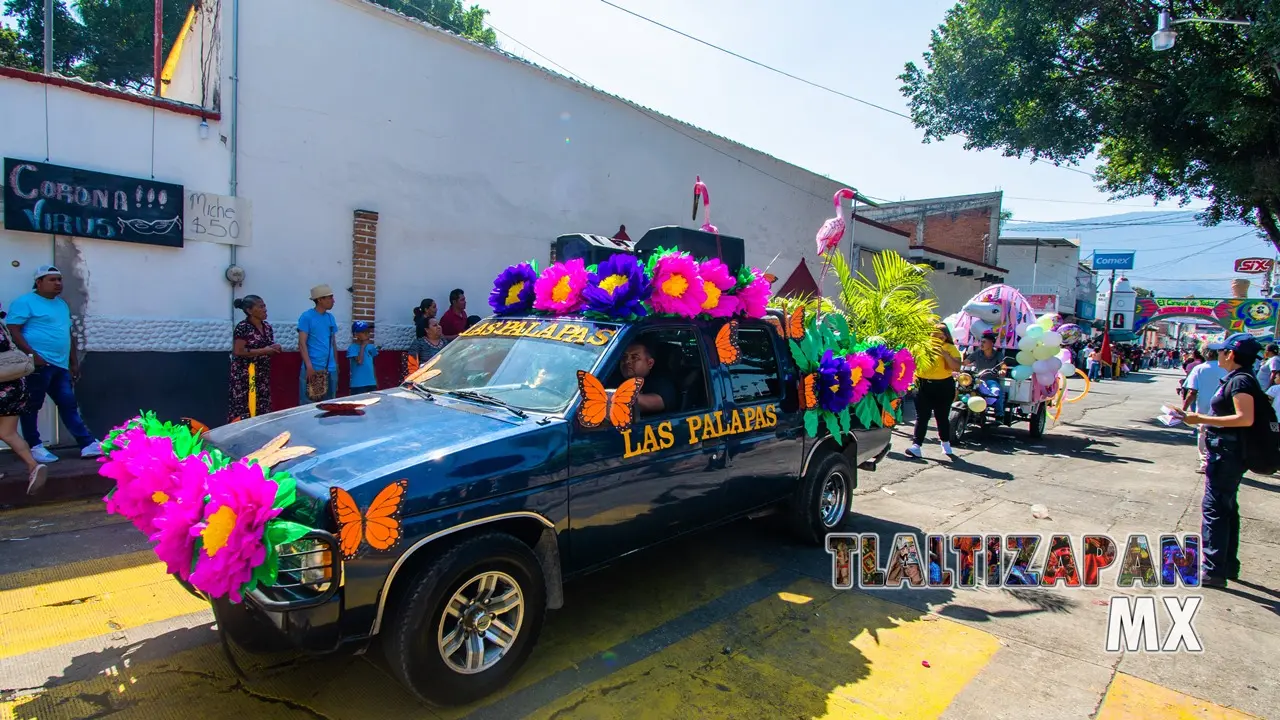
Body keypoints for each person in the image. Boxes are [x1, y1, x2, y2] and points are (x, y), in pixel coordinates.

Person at [1180, 333, 1264, 588]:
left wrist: (1202, 419)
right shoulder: (1239, 378)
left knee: (1215, 510)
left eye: (1221, 351)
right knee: (1226, 508)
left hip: (1228, 453)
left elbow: (1244, 418)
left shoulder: (1240, 382)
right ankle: (1226, 565)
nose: (1218, 355)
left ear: (1231, 355)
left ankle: (1214, 569)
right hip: (1228, 452)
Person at [6, 265, 101, 462]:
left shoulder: (61, 305)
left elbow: (67, 334)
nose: (58, 283)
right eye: (51, 279)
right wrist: (32, 355)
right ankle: (34, 446)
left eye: (59, 279)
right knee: (32, 406)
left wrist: (73, 362)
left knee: (68, 404)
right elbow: (14, 330)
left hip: (60, 365)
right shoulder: (25, 302)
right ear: (38, 282)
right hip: (37, 364)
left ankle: (87, 443)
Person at [0, 307, 47, 494]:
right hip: (16, 385)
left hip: (2, 386)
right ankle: (33, 466)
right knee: (7, 432)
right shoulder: (2, 326)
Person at [904, 323, 961, 459]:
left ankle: (945, 443)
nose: (936, 338)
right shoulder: (921, 347)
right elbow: (911, 362)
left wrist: (945, 354)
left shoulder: (950, 348)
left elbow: (956, 367)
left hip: (943, 386)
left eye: (939, 335)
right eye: (933, 334)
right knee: (922, 416)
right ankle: (916, 446)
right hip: (923, 385)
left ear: (946, 336)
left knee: (941, 416)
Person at [227, 295, 281, 422]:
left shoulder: (267, 327)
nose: (265, 309)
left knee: (262, 409)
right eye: (261, 306)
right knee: (245, 409)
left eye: (264, 306)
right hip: (245, 377)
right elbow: (238, 351)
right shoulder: (243, 327)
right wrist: (264, 350)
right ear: (249, 311)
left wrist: (273, 348)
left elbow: (265, 348)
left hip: (262, 376)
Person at [1181, 349, 1227, 474]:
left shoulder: (1199, 369)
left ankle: (1205, 463)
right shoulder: (1226, 368)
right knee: (1222, 434)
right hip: (1223, 407)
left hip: (1204, 407)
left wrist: (1183, 408)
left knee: (1203, 434)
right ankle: (1221, 462)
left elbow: (1192, 392)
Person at [298, 284, 339, 402]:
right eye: (330, 298)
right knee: (309, 405)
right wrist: (309, 366)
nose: (333, 301)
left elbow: (333, 342)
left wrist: (336, 364)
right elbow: (301, 343)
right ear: (320, 300)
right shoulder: (307, 317)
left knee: (329, 403)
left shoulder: (331, 318)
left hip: (330, 369)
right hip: (313, 368)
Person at [618, 340, 676, 415]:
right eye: (624, 357)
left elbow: (652, 403)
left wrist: (614, 398)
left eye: (634, 357)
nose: (627, 361)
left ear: (650, 363)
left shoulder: (662, 384)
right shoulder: (611, 377)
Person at [965, 331, 1006, 417]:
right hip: (978, 380)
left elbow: (1003, 366)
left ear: (991, 343)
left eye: (984, 342)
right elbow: (965, 362)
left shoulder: (998, 354)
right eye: (981, 342)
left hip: (991, 380)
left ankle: (999, 414)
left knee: (997, 392)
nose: (981, 344)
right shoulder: (977, 353)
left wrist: (1002, 371)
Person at [347, 321, 379, 395]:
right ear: (356, 334)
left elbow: (372, 364)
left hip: (371, 383)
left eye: (368, 332)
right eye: (364, 332)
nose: (367, 334)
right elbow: (359, 361)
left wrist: (375, 379)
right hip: (358, 384)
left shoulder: (371, 347)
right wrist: (362, 346)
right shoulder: (352, 348)